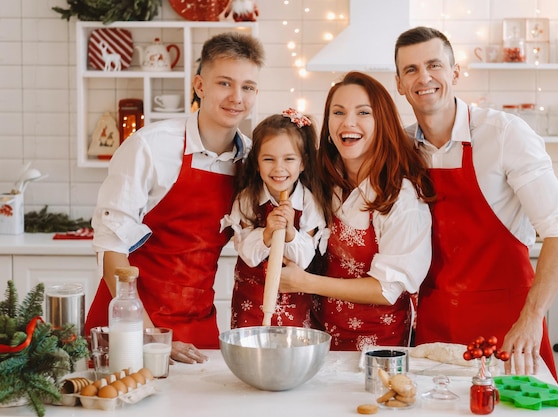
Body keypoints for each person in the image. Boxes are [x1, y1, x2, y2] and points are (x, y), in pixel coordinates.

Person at [394, 26, 558, 378]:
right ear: (400, 84)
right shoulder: (401, 148)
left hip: (508, 327)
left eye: (434, 65)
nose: (424, 78)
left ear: (455, 72)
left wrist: (531, 319)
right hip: (434, 329)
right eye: (411, 70)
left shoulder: (505, 134)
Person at [84, 32, 265, 363]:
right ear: (200, 86)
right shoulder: (150, 147)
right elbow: (112, 250)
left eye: (248, 87)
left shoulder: (253, 161)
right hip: (130, 328)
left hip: (199, 330)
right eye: (224, 83)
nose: (236, 97)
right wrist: (150, 337)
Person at [279, 71, 436, 350]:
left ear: (383, 122)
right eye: (337, 112)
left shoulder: (401, 197)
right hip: (317, 336)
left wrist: (306, 282)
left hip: (377, 345)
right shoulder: (322, 179)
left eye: (363, 112)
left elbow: (385, 289)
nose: (348, 122)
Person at [220, 109, 326, 328]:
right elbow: (247, 254)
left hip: (294, 306)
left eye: (289, 159)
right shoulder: (247, 199)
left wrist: (289, 234)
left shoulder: (309, 203)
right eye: (269, 159)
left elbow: (305, 258)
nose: (279, 168)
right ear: (257, 163)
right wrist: (267, 234)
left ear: (303, 163)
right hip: (251, 304)